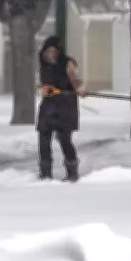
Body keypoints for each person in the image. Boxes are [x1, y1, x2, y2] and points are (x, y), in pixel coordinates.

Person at [37, 35, 86, 182]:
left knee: (64, 139)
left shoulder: (67, 63)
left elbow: (75, 78)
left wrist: (79, 88)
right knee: (44, 139)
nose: (51, 54)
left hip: (65, 106)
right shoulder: (43, 66)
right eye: (48, 51)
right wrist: (43, 89)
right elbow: (41, 83)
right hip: (48, 107)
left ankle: (72, 172)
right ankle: (45, 174)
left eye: (54, 51)